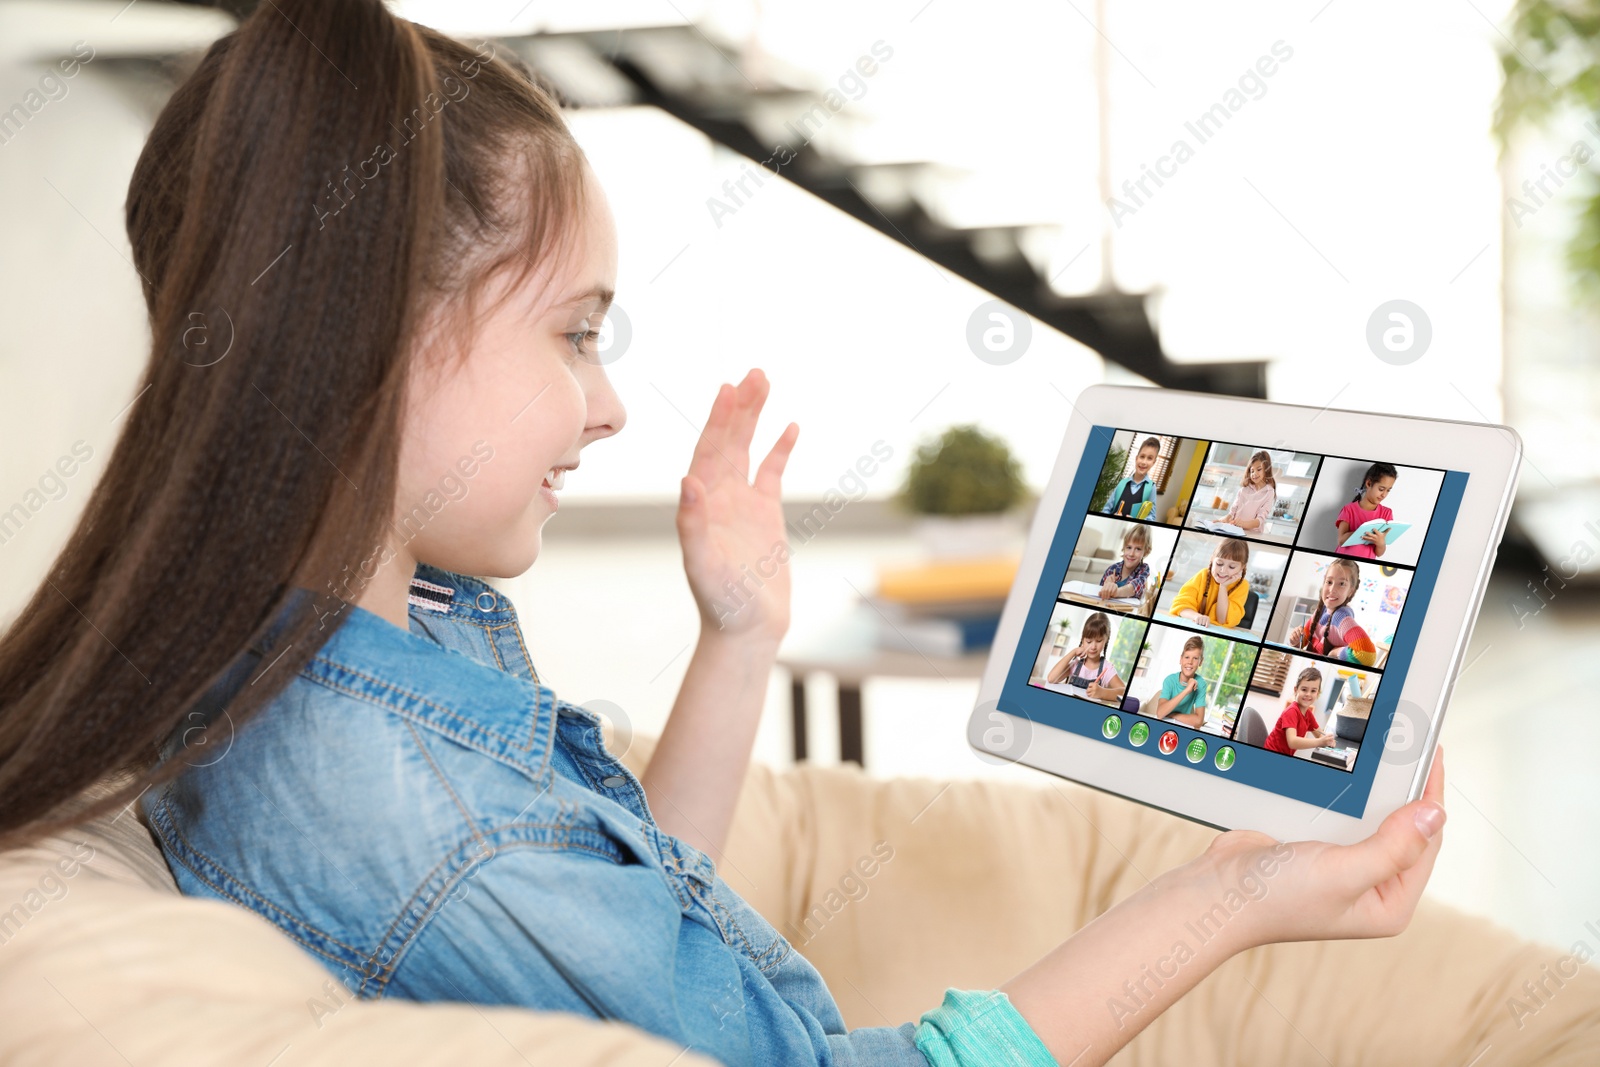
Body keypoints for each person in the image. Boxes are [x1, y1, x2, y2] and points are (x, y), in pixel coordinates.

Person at [0, 4, 1452, 1065]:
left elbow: (627, 933)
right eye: (575, 335)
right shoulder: (416, 815)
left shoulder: (336, 649)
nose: (611, 400)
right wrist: (1229, 894)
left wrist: (738, 634)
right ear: (377, 333)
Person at [1287, 557, 1378, 665]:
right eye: (1329, 582)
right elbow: (1304, 641)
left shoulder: (1341, 619)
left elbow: (1367, 655)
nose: (1332, 589)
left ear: (1350, 591)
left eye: (1341, 584)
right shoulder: (1321, 610)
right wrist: (1295, 641)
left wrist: (1336, 652)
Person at [1169, 537, 1252, 629]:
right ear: (1212, 559)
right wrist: (1197, 617)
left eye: (1232, 567)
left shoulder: (1242, 585)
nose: (1223, 570)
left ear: (1242, 567)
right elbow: (1180, 605)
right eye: (1219, 564)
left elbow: (1222, 620)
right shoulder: (1203, 575)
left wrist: (1223, 587)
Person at [1046, 612, 1127, 704]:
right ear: (1083, 640)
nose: (1093, 647)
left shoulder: (1107, 669)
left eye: (1099, 641)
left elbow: (1124, 693)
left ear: (1106, 640)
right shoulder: (1076, 665)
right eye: (1088, 641)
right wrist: (1073, 652)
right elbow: (1051, 678)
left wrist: (1102, 693)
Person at [1262, 668, 1340, 755]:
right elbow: (1292, 742)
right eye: (1304, 689)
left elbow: (1319, 734)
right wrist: (1320, 742)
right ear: (1296, 690)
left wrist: (1328, 740)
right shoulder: (1291, 711)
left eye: (1313, 691)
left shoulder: (1308, 714)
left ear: (1317, 693)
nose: (1308, 694)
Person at [1335, 462, 1398, 559]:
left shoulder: (1386, 513)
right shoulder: (1349, 509)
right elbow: (1341, 540)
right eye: (1381, 489)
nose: (1384, 495)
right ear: (1369, 483)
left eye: (1388, 490)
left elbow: (1379, 553)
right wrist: (1363, 531)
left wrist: (1380, 543)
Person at [1148, 635, 1208, 728]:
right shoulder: (1170, 680)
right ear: (1181, 659)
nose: (1190, 662)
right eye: (1187, 657)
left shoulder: (1201, 684)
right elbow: (1160, 713)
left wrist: (1172, 715)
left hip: (1181, 726)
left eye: (1195, 658)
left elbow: (1198, 721)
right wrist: (1186, 690)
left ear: (1201, 662)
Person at [1102, 437, 1161, 518]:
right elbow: (1106, 510)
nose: (1144, 462)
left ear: (1153, 462)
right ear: (1136, 458)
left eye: (1149, 458)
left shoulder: (1151, 487)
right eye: (1142, 456)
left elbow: (1151, 517)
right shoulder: (1122, 483)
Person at [1222, 450, 1277, 532]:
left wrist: (1242, 524)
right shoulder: (1244, 490)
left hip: (1253, 534)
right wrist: (1225, 519)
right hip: (1234, 530)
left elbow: (1260, 520)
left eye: (1258, 469)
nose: (1254, 474)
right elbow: (1233, 510)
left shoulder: (1269, 492)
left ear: (1266, 469)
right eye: (1252, 471)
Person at [1098, 522, 1152, 600]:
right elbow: (1100, 592)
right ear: (1124, 548)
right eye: (1129, 547)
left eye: (1138, 549)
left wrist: (1115, 592)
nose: (1131, 554)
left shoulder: (1144, 569)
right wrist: (1107, 585)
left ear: (1146, 552)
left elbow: (1135, 587)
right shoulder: (1112, 569)